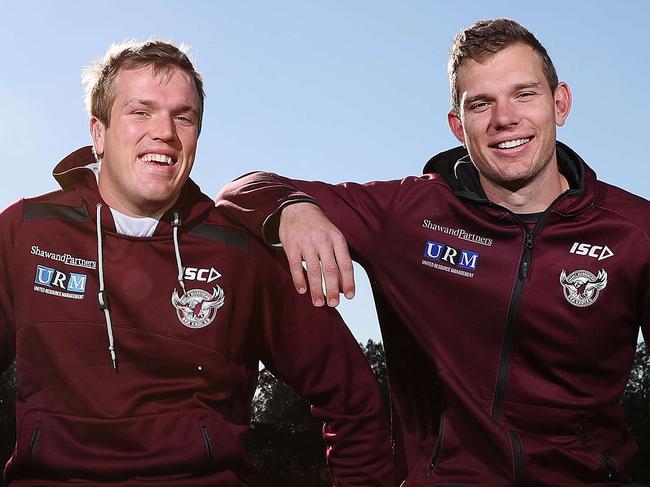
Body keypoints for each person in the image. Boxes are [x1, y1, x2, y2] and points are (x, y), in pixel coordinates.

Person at [217, 18, 650, 486]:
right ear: (457, 125)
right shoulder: (410, 215)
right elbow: (243, 189)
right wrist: (294, 209)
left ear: (559, 103)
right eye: (481, 103)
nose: (505, 118)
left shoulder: (634, 231)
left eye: (524, 94)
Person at [0, 40, 395, 486]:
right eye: (141, 111)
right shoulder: (26, 231)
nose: (164, 132)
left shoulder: (237, 250)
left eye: (183, 116)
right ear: (98, 132)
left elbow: (352, 396)